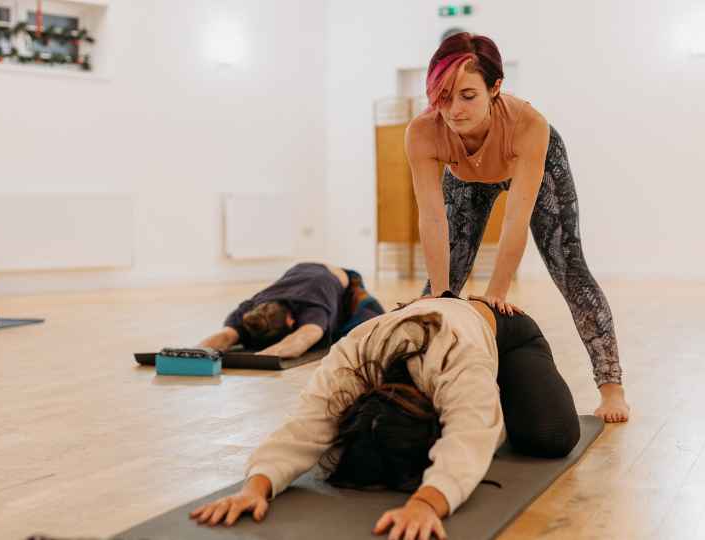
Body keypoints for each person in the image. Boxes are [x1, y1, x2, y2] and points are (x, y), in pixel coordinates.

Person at [191, 293, 580, 539]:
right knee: (475, 405)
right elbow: (304, 429)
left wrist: (427, 502)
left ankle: (501, 387)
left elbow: (469, 439)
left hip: (502, 332)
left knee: (550, 436)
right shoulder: (351, 362)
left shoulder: (454, 357)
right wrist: (254, 488)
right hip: (422, 325)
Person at [404, 32, 628, 422]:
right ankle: (416, 388)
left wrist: (496, 292)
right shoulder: (424, 132)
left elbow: (516, 217)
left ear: (495, 88)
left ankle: (612, 387)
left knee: (569, 266)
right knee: (438, 288)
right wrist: (441, 292)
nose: (454, 110)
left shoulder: (528, 124)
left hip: (531, 166)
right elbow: (431, 216)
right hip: (466, 178)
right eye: (443, 96)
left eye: (468, 95)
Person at [198, 262, 385, 358]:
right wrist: (194, 353)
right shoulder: (249, 310)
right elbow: (225, 336)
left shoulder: (312, 306)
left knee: (370, 330)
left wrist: (261, 357)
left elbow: (303, 338)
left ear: (291, 320)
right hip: (300, 272)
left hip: (342, 284)